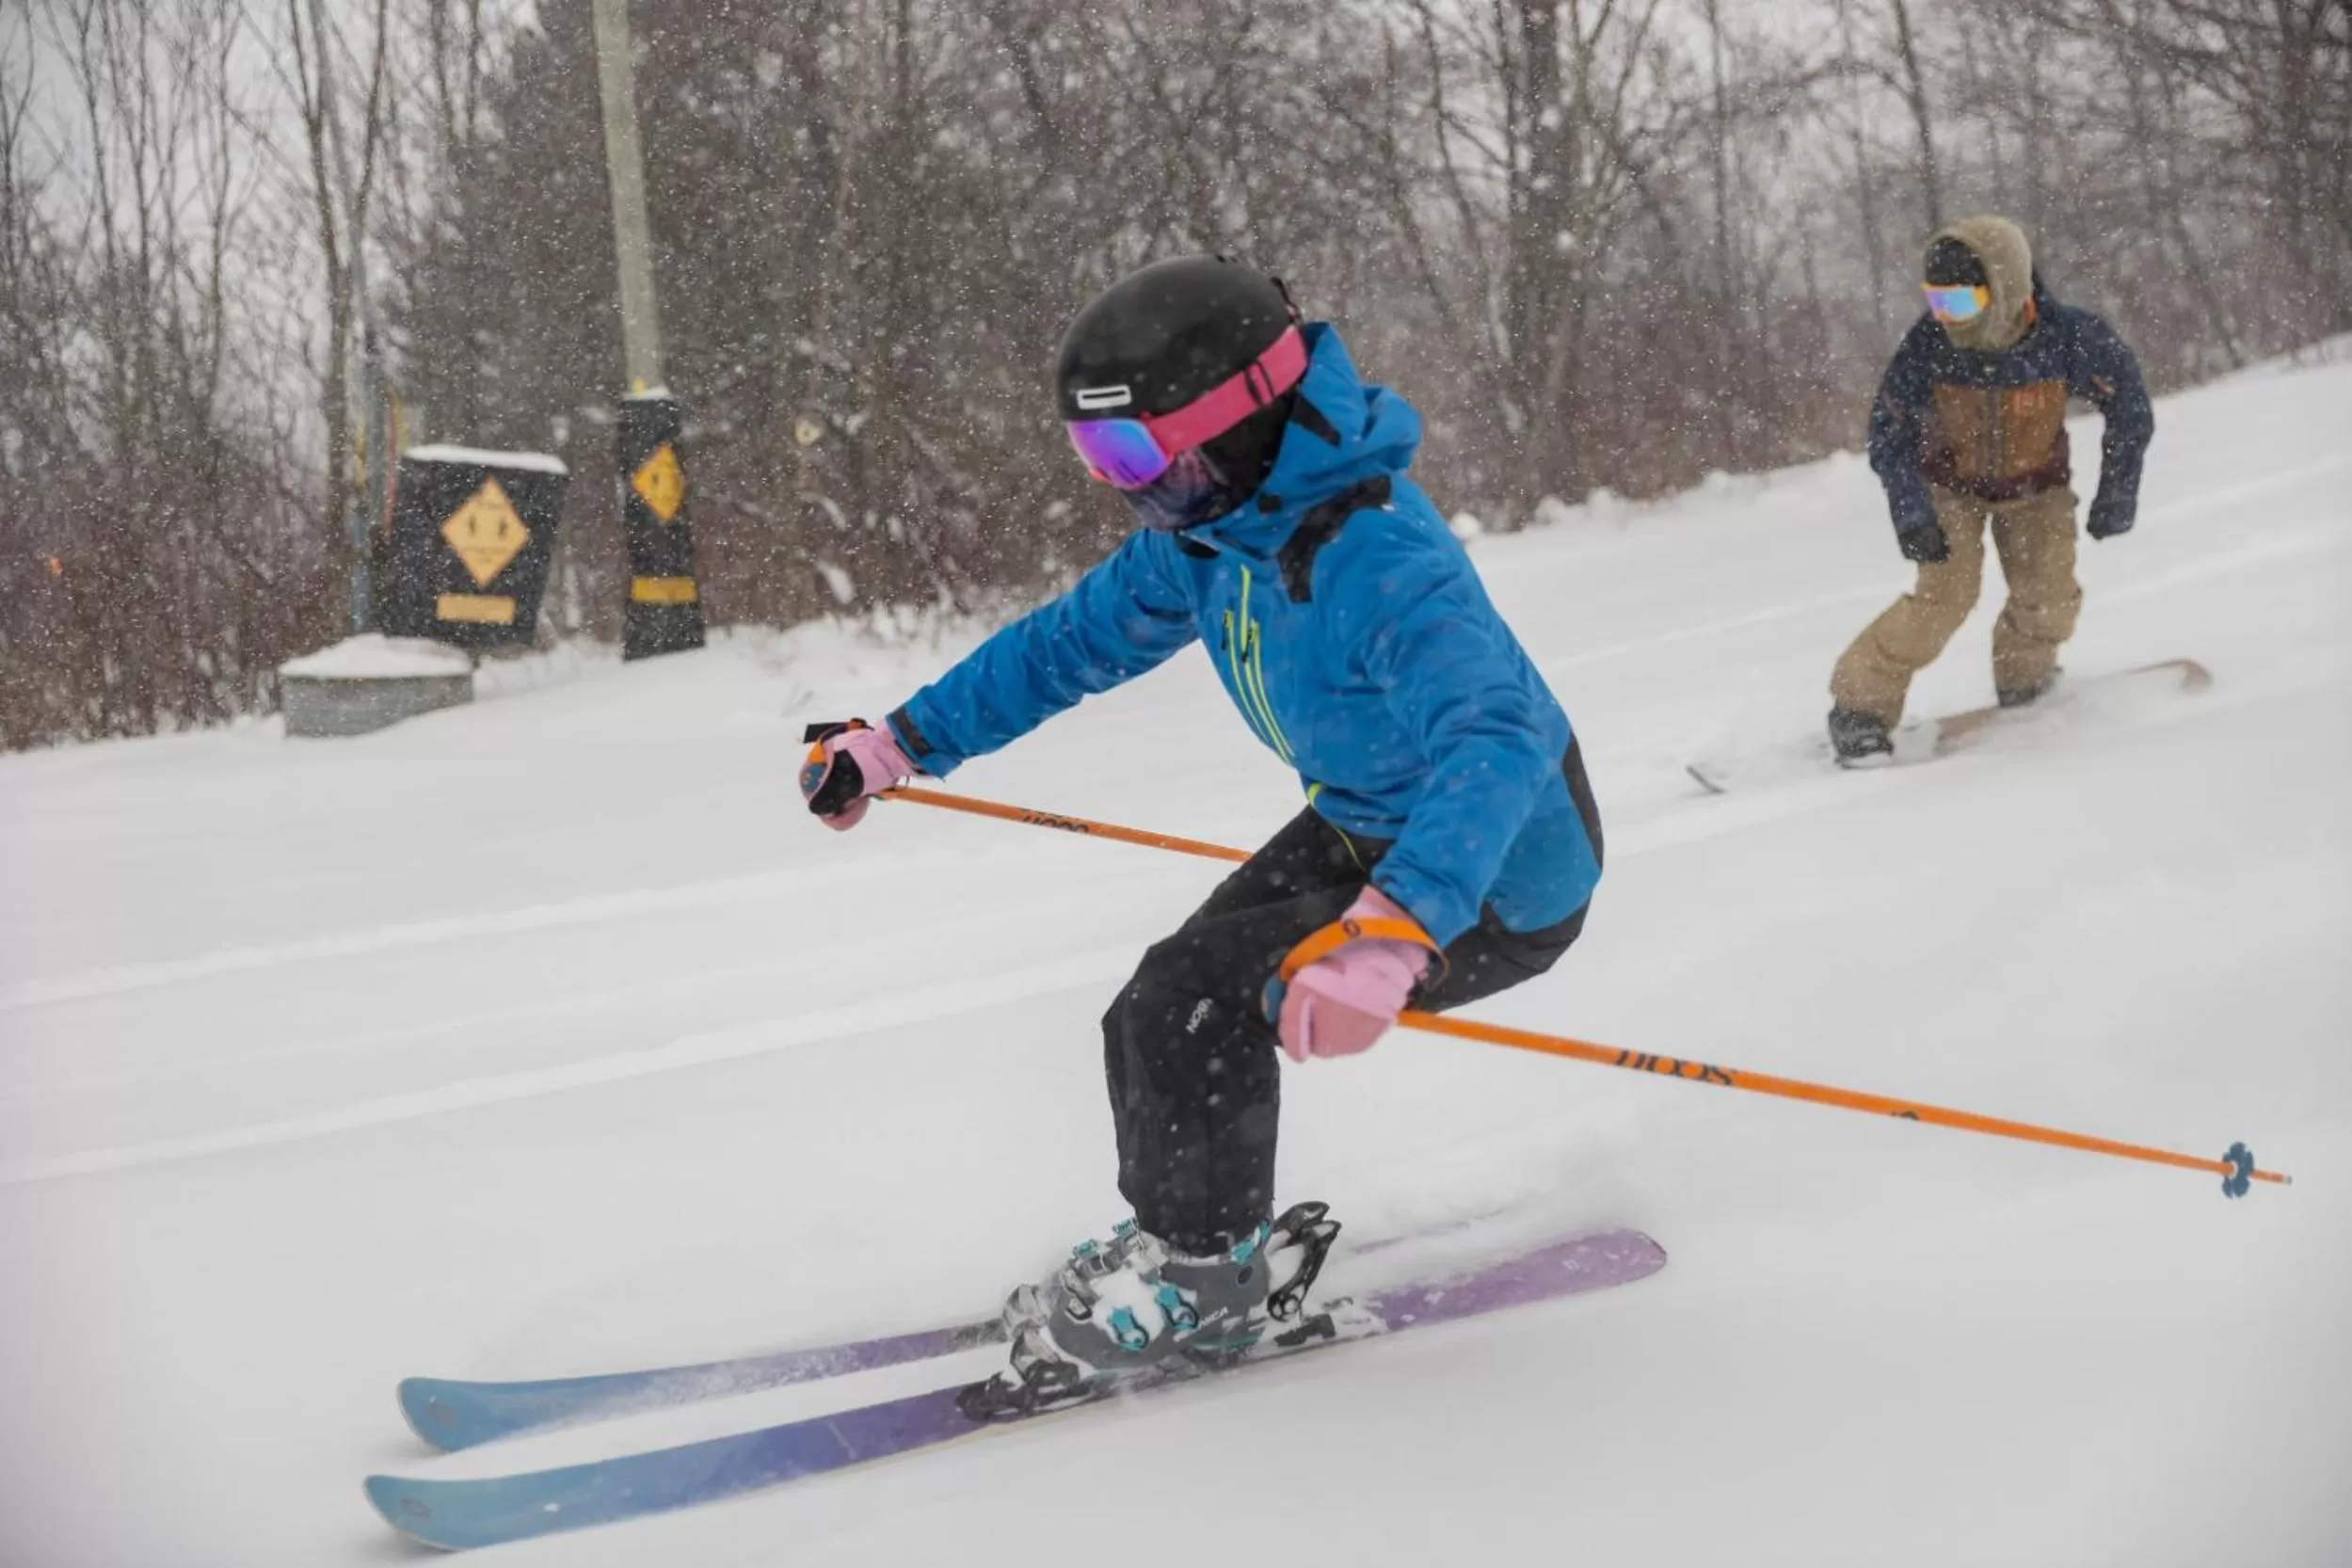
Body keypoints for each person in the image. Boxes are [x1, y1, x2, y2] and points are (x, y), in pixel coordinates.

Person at [798, 255, 1603, 1414]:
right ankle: (1190, 1237)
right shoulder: (1216, 533)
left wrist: (1396, 933)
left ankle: (1202, 1278)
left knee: (1198, 999)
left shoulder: (1375, 555)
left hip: (1495, 871)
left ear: (1242, 421)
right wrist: (900, 743)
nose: (1126, 490)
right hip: (1368, 824)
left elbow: (1499, 737)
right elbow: (1063, 645)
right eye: (1098, 463)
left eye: (1134, 456)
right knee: (1156, 1002)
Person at [1829, 215, 2153, 762]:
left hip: (2036, 490)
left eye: (1959, 303)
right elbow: (1889, 432)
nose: (1946, 317)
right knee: (1945, 599)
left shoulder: (2067, 338)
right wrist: (1913, 513)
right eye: (1937, 302)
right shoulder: (1930, 346)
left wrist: (2117, 491)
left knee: (2050, 600)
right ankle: (1860, 707)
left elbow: (2129, 405)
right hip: (1950, 489)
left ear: (2002, 289)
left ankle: (2025, 682)